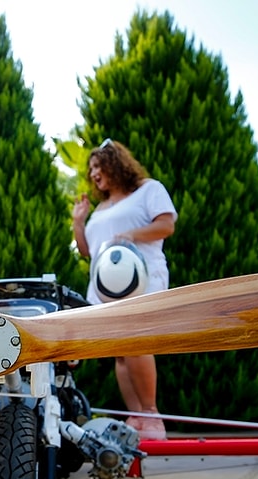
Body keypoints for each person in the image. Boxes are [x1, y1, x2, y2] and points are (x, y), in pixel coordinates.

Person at [71, 139, 176, 440]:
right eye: (90, 169)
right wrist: (79, 222)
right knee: (119, 353)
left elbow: (166, 226)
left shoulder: (148, 190)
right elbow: (88, 252)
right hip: (104, 290)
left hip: (141, 279)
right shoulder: (101, 208)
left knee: (137, 343)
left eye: (97, 166)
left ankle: (152, 416)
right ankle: (137, 418)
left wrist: (131, 234)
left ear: (115, 163)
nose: (93, 174)